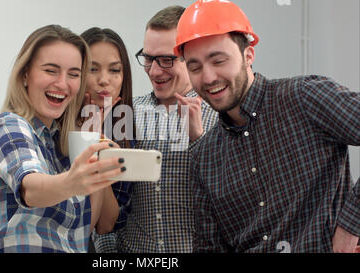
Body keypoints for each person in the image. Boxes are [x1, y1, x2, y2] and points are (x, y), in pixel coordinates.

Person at [174, 0, 360, 253]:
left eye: (218, 61)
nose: (207, 77)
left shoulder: (304, 97)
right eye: (195, 67)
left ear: (248, 55)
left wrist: (351, 224)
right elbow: (209, 247)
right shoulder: (203, 157)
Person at [0, 24, 126, 253]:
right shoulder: (8, 125)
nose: (62, 84)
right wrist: (71, 182)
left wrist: (94, 148)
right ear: (25, 74)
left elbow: (80, 233)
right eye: (51, 71)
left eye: (73, 74)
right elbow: (31, 189)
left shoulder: (57, 144)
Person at [96, 6, 218, 253]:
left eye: (166, 60)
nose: (154, 71)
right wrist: (107, 251)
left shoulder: (218, 115)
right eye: (148, 58)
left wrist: (199, 140)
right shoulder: (123, 113)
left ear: (191, 56)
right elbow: (102, 194)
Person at [77, 27, 135, 252]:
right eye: (93, 69)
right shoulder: (54, 123)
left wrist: (97, 145)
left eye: (114, 70)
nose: (104, 80)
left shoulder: (123, 131)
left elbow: (106, 224)